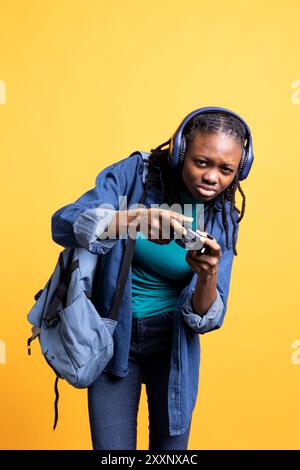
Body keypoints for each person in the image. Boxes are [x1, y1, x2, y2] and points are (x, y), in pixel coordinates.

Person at [51, 107, 254, 450]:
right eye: (201, 162)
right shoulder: (135, 177)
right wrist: (132, 220)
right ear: (179, 151)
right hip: (113, 336)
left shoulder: (224, 216)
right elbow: (64, 223)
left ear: (239, 172)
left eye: (226, 170)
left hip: (173, 346)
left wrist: (208, 275)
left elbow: (206, 318)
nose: (212, 177)